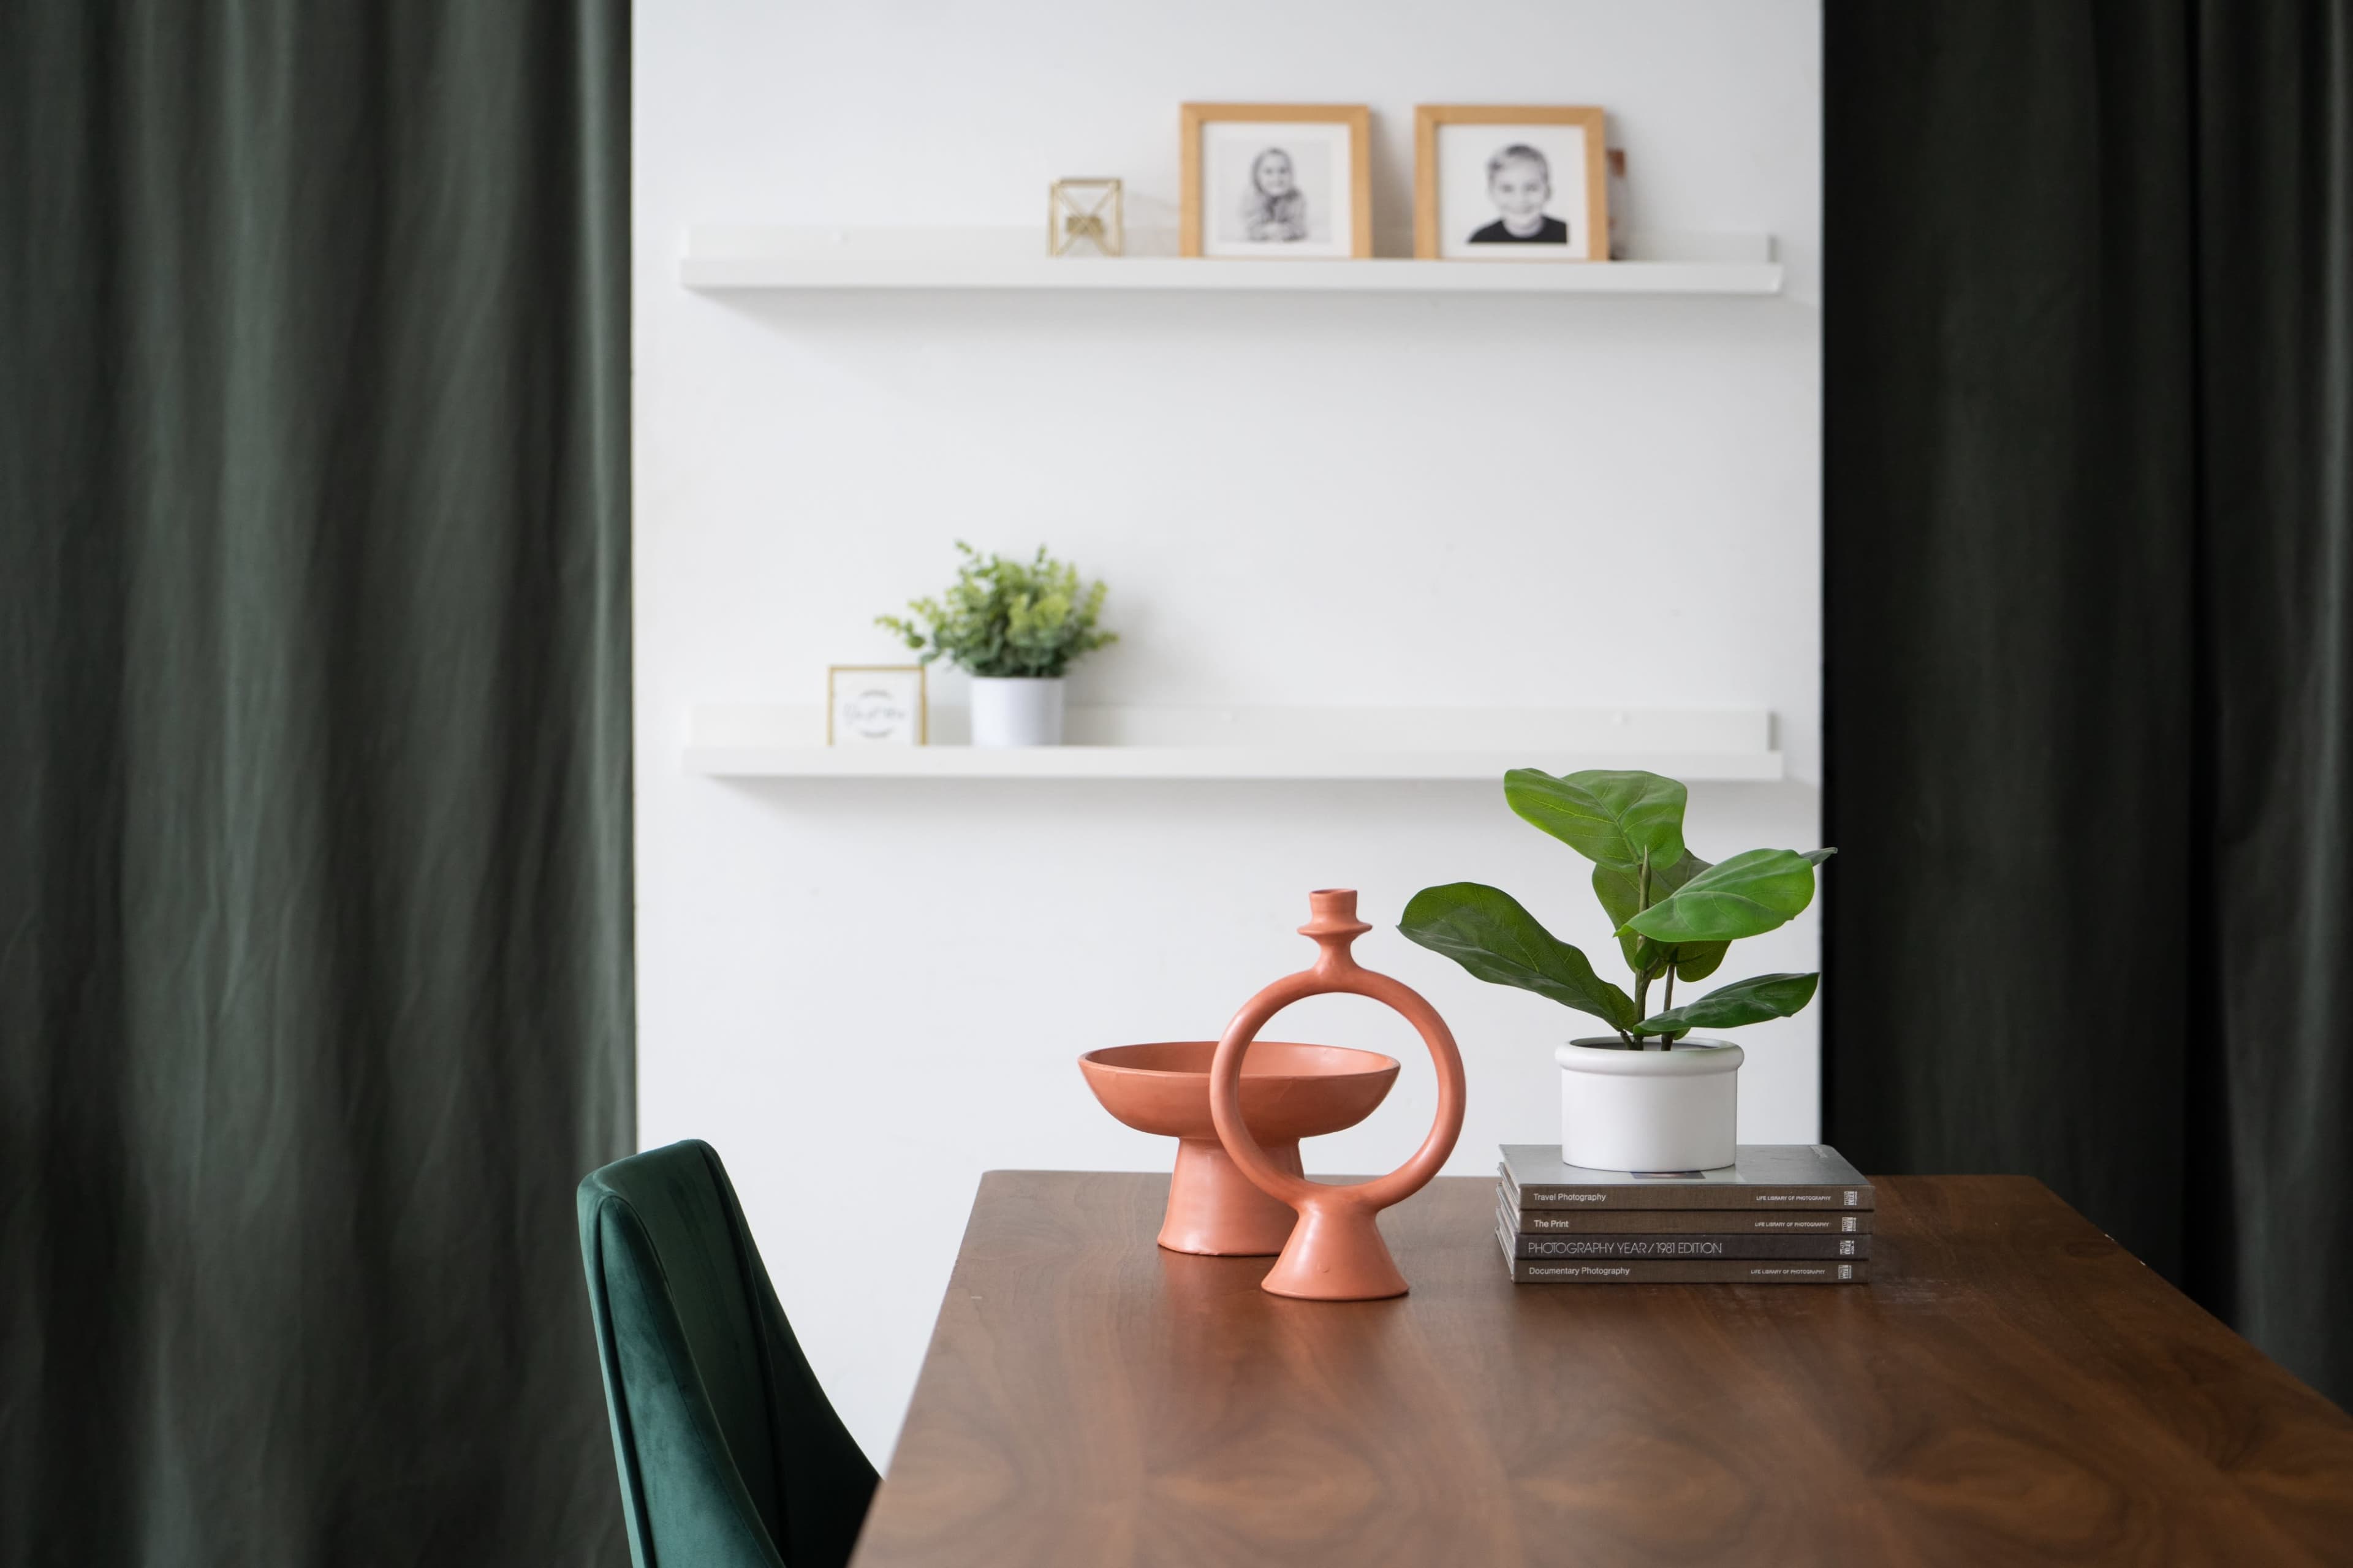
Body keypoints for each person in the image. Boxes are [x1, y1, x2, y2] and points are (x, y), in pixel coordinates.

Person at [1467, 143, 1569, 245]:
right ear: (1491, 194)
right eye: (1507, 189)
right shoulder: (1480, 241)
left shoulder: (1567, 235)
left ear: (1548, 192)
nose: (1520, 199)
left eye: (1531, 188)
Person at [1240, 147, 1308, 242]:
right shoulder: (1252, 197)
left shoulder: (1296, 197)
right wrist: (1266, 231)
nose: (1277, 178)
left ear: (1292, 175)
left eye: (1283, 171)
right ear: (1256, 177)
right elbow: (1249, 229)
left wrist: (1287, 231)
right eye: (1269, 172)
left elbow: (1301, 227)